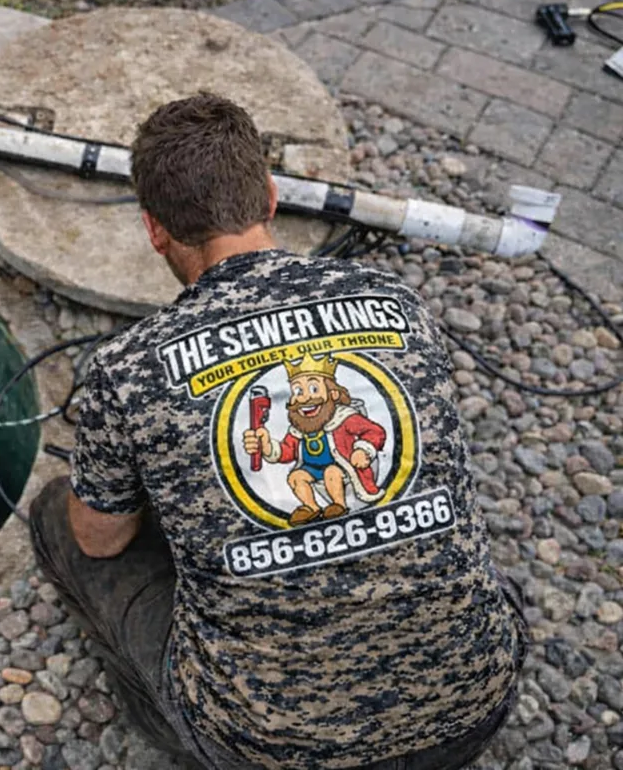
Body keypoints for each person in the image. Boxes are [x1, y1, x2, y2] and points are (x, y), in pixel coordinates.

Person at [28, 93, 529, 770]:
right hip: (474, 707)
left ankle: (163, 721)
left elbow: (100, 538)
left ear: (153, 229)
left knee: (60, 516)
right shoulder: (394, 301)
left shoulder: (126, 370)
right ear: (268, 197)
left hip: (266, 747)